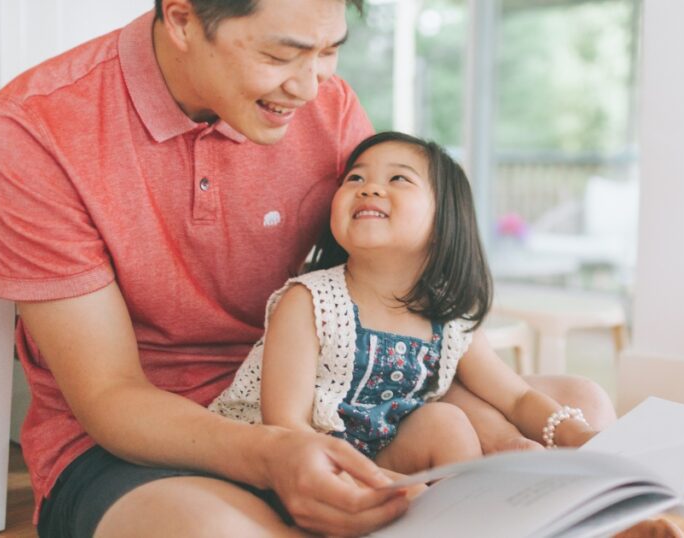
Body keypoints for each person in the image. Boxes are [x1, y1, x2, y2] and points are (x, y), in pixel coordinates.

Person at [0, 0, 613, 536]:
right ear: (183, 18)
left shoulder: (326, 107)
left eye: (329, 50)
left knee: (578, 403)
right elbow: (111, 397)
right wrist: (280, 453)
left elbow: (383, 292)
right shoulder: (34, 128)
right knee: (216, 532)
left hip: (330, 398)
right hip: (142, 441)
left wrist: (505, 423)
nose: (310, 87)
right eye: (279, 56)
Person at [209, 132, 601, 474]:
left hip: (384, 458)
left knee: (445, 424)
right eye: (355, 178)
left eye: (398, 178)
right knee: (447, 434)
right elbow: (286, 426)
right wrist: (377, 483)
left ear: (443, 220)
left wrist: (576, 434)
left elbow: (515, 397)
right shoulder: (310, 302)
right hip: (302, 460)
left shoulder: (449, 319)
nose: (368, 188)